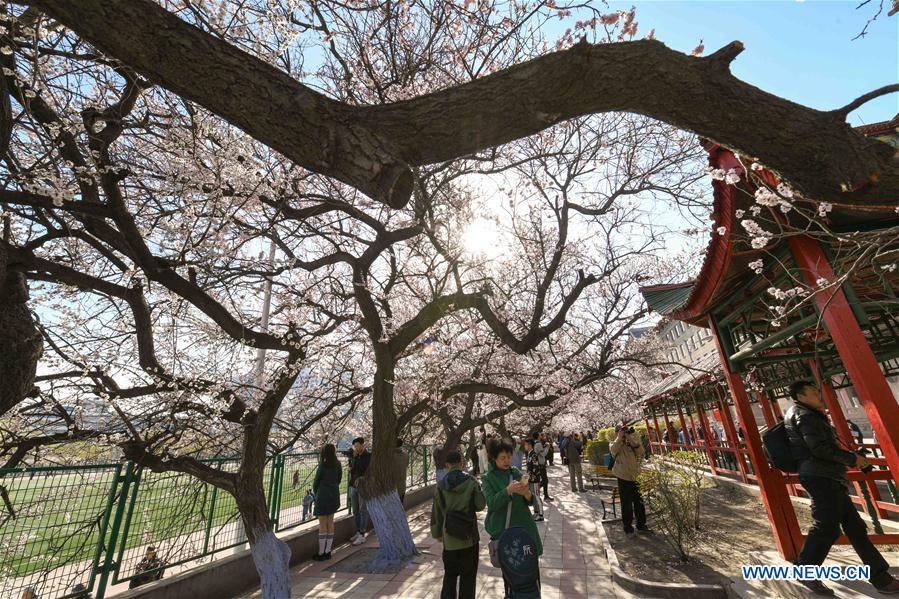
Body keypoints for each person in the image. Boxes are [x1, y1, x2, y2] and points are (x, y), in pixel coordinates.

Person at [784, 380, 899, 596]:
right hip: (821, 476)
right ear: (801, 396)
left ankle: (881, 578)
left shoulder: (804, 413)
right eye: (814, 392)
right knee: (826, 527)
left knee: (856, 529)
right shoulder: (805, 416)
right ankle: (805, 570)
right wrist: (852, 459)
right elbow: (819, 448)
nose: (819, 395)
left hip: (827, 476)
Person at [482, 437, 543, 599]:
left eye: (509, 456)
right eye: (503, 457)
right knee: (512, 580)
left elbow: (531, 502)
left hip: (525, 531)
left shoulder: (516, 473)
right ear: (493, 458)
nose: (507, 460)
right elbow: (492, 504)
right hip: (506, 536)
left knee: (532, 578)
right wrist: (507, 491)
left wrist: (527, 494)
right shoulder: (488, 478)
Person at [431, 450, 487, 599]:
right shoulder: (471, 482)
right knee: (468, 578)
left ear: (447, 465)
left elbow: (436, 513)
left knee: (449, 576)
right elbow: (480, 505)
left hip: (449, 540)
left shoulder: (440, 486)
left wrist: (437, 534)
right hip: (469, 537)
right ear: (462, 463)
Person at [611, 423, 650, 535]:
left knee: (639, 502)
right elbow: (613, 450)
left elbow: (641, 452)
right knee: (626, 503)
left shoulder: (631, 443)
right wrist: (619, 438)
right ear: (617, 433)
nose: (623, 433)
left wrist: (629, 437)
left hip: (635, 476)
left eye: (624, 431)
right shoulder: (614, 444)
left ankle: (641, 524)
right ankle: (627, 526)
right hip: (623, 477)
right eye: (620, 431)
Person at [312, 443, 342, 560]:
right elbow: (339, 478)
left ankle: (321, 552)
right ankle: (328, 551)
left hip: (322, 495)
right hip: (334, 494)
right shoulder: (338, 464)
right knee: (330, 522)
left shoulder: (322, 465)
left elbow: (316, 482)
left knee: (322, 524)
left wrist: (317, 493)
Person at [344, 436, 371, 546]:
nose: (356, 448)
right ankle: (358, 531)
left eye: (358, 446)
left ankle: (362, 533)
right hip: (353, 486)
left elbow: (370, 472)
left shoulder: (368, 456)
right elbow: (352, 468)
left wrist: (362, 478)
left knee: (363, 509)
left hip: (363, 486)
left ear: (363, 445)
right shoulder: (355, 456)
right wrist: (352, 463)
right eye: (355, 447)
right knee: (355, 510)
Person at [523, 439, 545, 522]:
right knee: (534, 497)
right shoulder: (529, 454)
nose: (525, 446)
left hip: (535, 480)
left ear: (530, 445)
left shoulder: (534, 455)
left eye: (526, 445)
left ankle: (541, 514)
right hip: (530, 480)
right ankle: (536, 512)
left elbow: (536, 468)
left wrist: (530, 476)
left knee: (537, 496)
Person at [533, 434, 553, 502]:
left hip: (538, 464)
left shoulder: (535, 443)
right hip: (540, 464)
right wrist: (547, 447)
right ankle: (542, 494)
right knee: (545, 480)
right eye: (541, 435)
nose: (542, 437)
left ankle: (544, 494)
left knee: (544, 480)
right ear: (538, 436)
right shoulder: (538, 444)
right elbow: (543, 454)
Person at [395, 438, 410, 504]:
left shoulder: (390, 455)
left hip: (393, 485)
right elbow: (407, 464)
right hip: (402, 482)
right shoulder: (405, 454)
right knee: (401, 503)